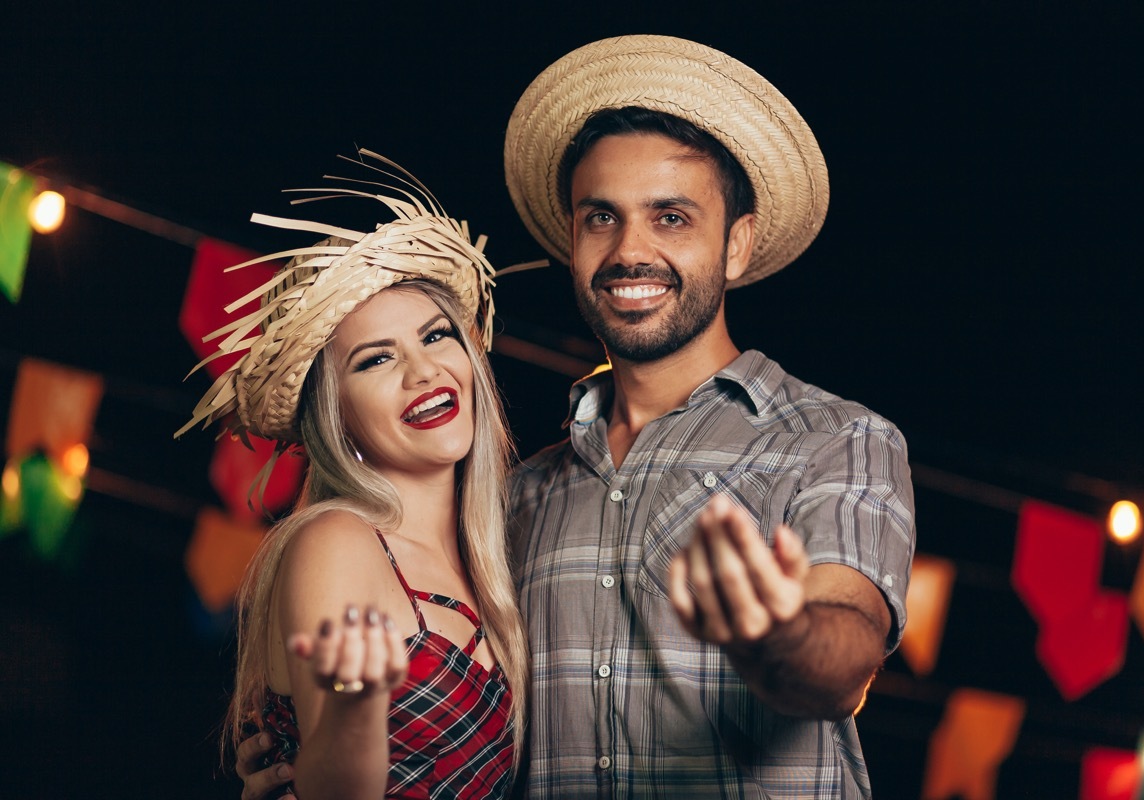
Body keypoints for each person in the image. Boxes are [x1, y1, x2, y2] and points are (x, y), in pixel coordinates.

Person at [240, 35, 915, 799]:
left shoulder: (835, 439)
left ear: (737, 244)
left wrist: (774, 638)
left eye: (670, 218)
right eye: (601, 216)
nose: (630, 250)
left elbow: (845, 656)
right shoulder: (515, 506)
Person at [179, 150, 530, 799]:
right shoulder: (336, 540)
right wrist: (353, 713)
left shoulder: (498, 556)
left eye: (434, 336)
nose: (423, 371)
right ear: (336, 416)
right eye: (375, 360)